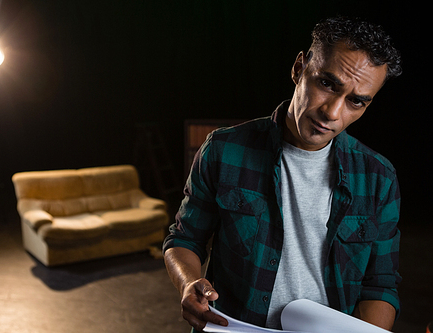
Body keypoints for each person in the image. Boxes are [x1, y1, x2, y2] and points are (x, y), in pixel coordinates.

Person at [163, 16, 402, 332]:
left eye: (356, 101)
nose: (332, 112)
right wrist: (188, 283)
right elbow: (185, 238)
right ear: (299, 68)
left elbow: (380, 283)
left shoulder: (378, 177)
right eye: (327, 83)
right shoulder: (225, 149)